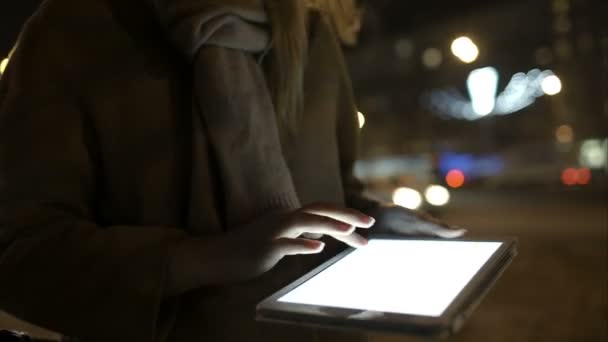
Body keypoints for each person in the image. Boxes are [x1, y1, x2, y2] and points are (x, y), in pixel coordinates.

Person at [0, 0, 465, 341]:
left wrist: (374, 219)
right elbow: (19, 252)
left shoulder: (311, 33)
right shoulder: (74, 32)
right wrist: (204, 258)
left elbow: (333, 190)